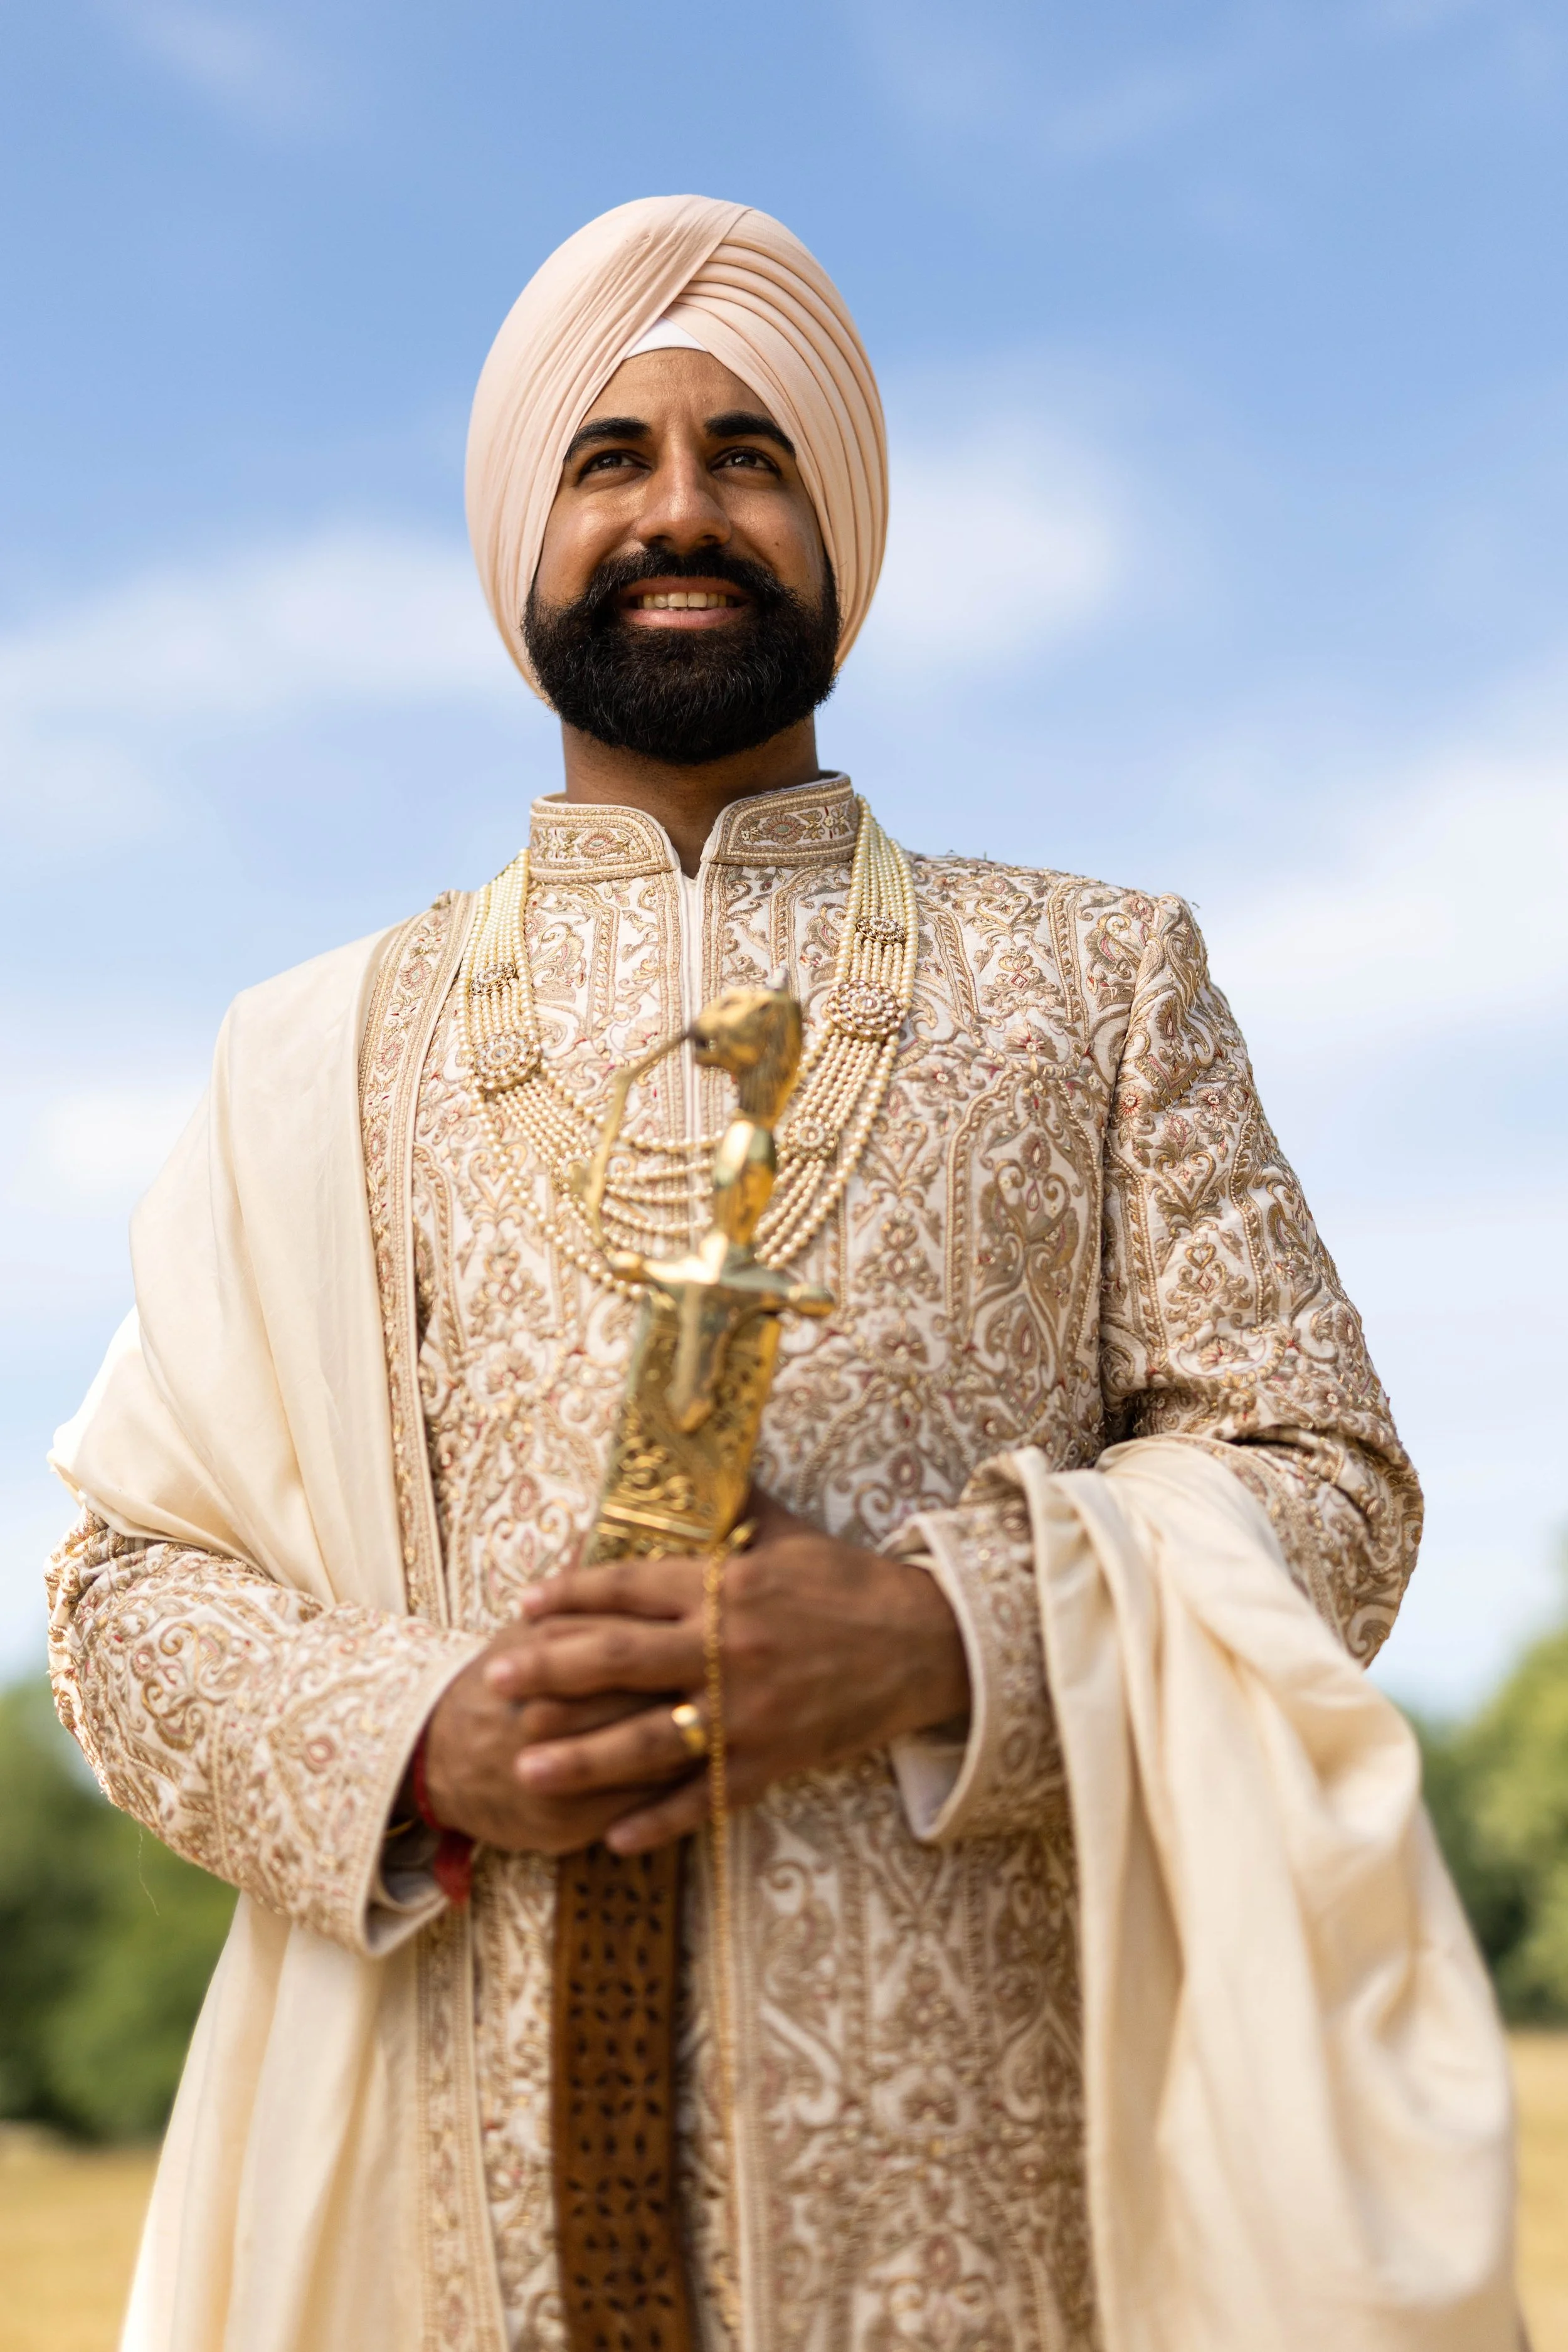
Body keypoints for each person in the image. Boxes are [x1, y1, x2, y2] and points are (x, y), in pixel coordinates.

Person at [46, 196, 1515, 2352]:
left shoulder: (1094, 979)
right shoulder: (313, 1054)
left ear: (842, 522)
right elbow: (123, 1592)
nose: (679, 512)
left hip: (998, 2233)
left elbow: (1329, 1484)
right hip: (454, 2230)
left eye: (749, 453)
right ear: (514, 534)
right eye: (607, 458)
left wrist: (943, 1631)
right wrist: (421, 1731)